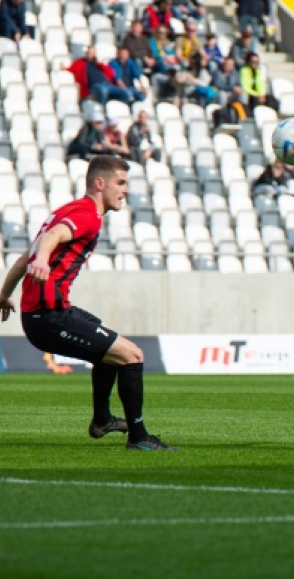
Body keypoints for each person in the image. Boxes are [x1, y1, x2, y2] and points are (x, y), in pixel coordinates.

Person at [0, 156, 176, 451]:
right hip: (48, 317)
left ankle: (103, 420)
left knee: (104, 339)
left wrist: (4, 294)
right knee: (132, 355)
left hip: (48, 312)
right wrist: (42, 259)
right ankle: (139, 437)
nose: (125, 190)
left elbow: (22, 258)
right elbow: (52, 238)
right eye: (120, 183)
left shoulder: (67, 210)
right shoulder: (87, 216)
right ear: (100, 183)